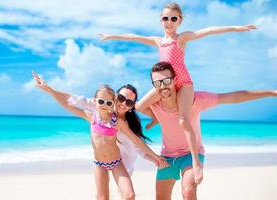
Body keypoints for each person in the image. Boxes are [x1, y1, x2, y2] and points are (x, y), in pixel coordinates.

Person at [98, 2, 256, 184]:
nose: (169, 22)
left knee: (183, 120)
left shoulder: (181, 38)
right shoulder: (158, 41)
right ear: (161, 20)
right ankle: (157, 118)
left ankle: (196, 162)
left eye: (174, 18)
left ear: (180, 21)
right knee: (140, 105)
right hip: (164, 84)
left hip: (183, 84)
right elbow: (134, 37)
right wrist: (112, 36)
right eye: (165, 18)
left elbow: (208, 31)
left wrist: (236, 28)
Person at [136, 61, 277, 200]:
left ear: (175, 80)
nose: (163, 86)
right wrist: (155, 118)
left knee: (188, 191)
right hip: (167, 156)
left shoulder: (196, 99)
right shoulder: (154, 104)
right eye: (157, 83)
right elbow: (136, 106)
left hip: (191, 153)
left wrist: (270, 93)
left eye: (166, 80)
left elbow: (233, 97)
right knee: (161, 197)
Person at [32, 72, 168, 200]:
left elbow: (137, 142)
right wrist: (50, 90)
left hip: (117, 163)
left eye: (129, 102)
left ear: (131, 106)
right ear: (95, 101)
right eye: (120, 98)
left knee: (129, 195)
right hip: (99, 164)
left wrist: (156, 157)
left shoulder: (119, 122)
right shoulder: (91, 115)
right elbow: (69, 101)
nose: (105, 104)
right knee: (102, 198)